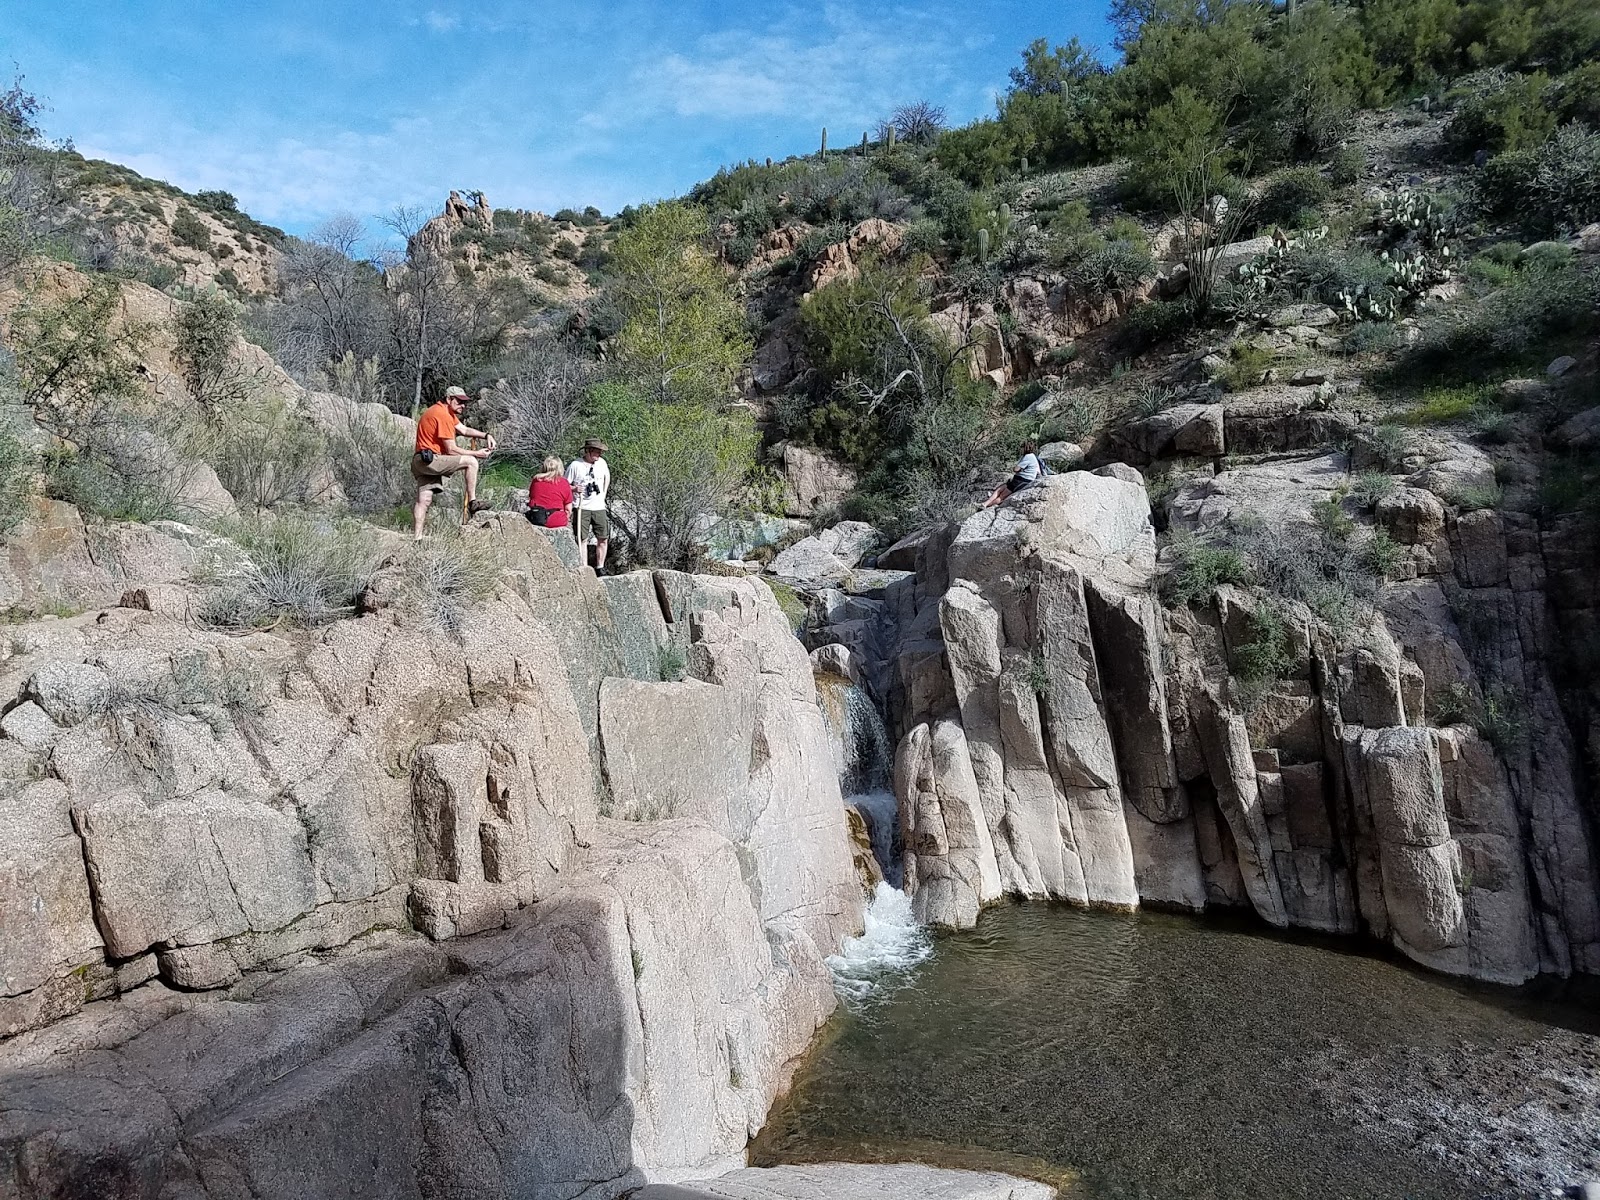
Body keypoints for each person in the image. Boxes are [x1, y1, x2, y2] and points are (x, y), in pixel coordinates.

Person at [411, 386, 497, 539]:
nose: (463, 405)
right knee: (471, 461)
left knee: (423, 500)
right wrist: (476, 454)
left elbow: (463, 430)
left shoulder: (445, 412)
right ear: (449, 399)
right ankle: (473, 502)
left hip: (421, 460)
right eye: (459, 401)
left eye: (464, 402)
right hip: (432, 460)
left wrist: (486, 435)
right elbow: (451, 449)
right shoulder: (442, 414)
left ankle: (417, 538)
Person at [566, 438, 611, 573]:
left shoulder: (602, 463)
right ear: (588, 451)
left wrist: (603, 495)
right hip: (581, 507)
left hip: (598, 507)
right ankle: (585, 568)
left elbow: (606, 479)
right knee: (582, 538)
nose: (598, 455)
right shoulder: (575, 465)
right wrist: (574, 489)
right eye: (596, 452)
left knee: (603, 537)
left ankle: (600, 567)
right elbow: (564, 485)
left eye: (600, 452)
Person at [982, 439, 1045, 509]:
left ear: (1025, 448)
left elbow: (1016, 469)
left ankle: (987, 505)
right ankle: (985, 504)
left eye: (1022, 447)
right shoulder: (1033, 456)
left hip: (1022, 480)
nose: (1020, 449)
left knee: (1002, 495)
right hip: (1022, 479)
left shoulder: (1028, 456)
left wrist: (1018, 469)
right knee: (1001, 488)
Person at [526, 455, 574, 530]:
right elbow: (568, 509)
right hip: (557, 521)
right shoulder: (563, 482)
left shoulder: (536, 480)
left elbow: (532, 497)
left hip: (536, 518)